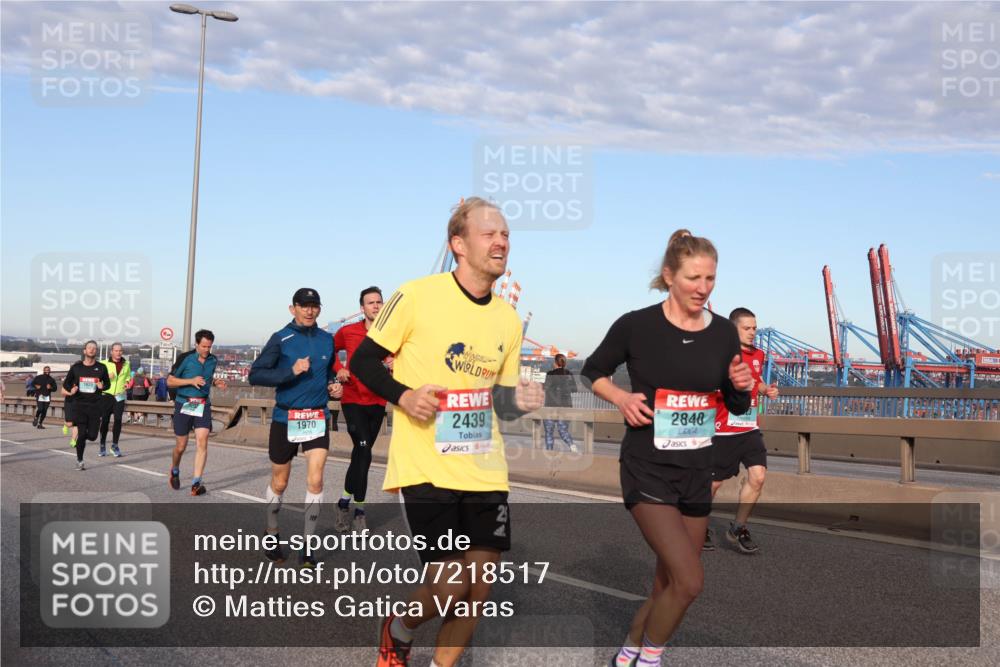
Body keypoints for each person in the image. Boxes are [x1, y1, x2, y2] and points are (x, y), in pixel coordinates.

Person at [351, 197, 544, 667]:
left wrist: (518, 401)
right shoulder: (417, 294)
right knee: (452, 583)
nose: (501, 241)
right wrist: (403, 395)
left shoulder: (507, 319)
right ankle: (399, 628)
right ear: (458, 244)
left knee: (478, 589)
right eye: (489, 233)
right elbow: (363, 362)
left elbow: (499, 401)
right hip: (426, 463)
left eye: (505, 234)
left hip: (485, 468)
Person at [581, 230, 752, 667]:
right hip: (647, 467)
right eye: (694, 277)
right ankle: (649, 659)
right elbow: (594, 371)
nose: (703, 288)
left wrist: (741, 388)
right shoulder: (636, 325)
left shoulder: (722, 335)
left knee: (668, 584)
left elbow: (734, 402)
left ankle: (627, 654)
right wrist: (620, 398)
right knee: (691, 581)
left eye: (711, 278)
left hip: (698, 470)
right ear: (669, 276)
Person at [248, 288, 343, 568]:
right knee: (280, 482)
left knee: (315, 480)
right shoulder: (281, 338)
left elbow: (327, 374)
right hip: (285, 418)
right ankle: (272, 531)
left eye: (314, 306)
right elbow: (256, 374)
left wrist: (333, 386)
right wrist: (291, 372)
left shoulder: (327, 340)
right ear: (293, 309)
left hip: (316, 416)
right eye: (304, 306)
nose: (309, 311)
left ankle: (308, 546)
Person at [705, 307, 778, 554]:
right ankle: (698, 524)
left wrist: (767, 389)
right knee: (713, 485)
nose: (753, 333)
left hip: (749, 428)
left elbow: (756, 380)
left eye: (755, 328)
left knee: (758, 477)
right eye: (746, 328)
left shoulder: (759, 353)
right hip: (724, 430)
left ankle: (738, 528)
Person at [333, 286, 390, 534]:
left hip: (378, 401)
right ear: (362, 308)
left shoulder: (390, 334)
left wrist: (394, 363)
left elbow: (400, 358)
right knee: (364, 449)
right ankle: (359, 512)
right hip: (353, 399)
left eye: (379, 302)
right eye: (371, 303)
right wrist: (338, 369)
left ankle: (343, 502)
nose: (376, 306)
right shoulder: (348, 331)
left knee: (361, 455)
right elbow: (330, 351)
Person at [167, 329, 228, 496]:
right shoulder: (185, 358)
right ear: (196, 344)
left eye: (209, 347)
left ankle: (196, 482)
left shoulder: (213, 360)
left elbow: (207, 379)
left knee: (202, 442)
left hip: (203, 405)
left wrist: (217, 382)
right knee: (181, 446)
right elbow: (170, 381)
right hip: (184, 404)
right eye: (203, 346)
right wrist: (190, 381)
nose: (206, 350)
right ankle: (175, 469)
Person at [62, 341, 111, 471]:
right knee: (82, 433)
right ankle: (79, 460)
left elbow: (107, 384)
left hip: (95, 406)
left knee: (93, 436)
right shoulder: (76, 368)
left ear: (96, 351)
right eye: (89, 348)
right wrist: (71, 390)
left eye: (94, 348)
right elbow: (66, 383)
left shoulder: (101, 368)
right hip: (80, 405)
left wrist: (103, 386)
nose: (92, 350)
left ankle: (85, 438)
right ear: (84, 351)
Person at [98, 343, 131, 457]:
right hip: (106, 395)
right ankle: (102, 445)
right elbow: (97, 379)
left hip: (119, 396)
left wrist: (127, 383)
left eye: (120, 350)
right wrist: (107, 376)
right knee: (105, 421)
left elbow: (127, 377)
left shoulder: (126, 364)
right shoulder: (103, 363)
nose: (118, 353)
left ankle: (115, 445)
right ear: (111, 352)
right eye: (116, 350)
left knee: (118, 420)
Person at [543, 353, 579, 453]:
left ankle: (549, 453)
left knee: (549, 432)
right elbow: (574, 389)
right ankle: (572, 446)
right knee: (563, 431)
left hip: (551, 406)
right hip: (566, 407)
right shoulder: (569, 374)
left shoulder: (550, 374)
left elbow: (545, 387)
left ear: (555, 363)